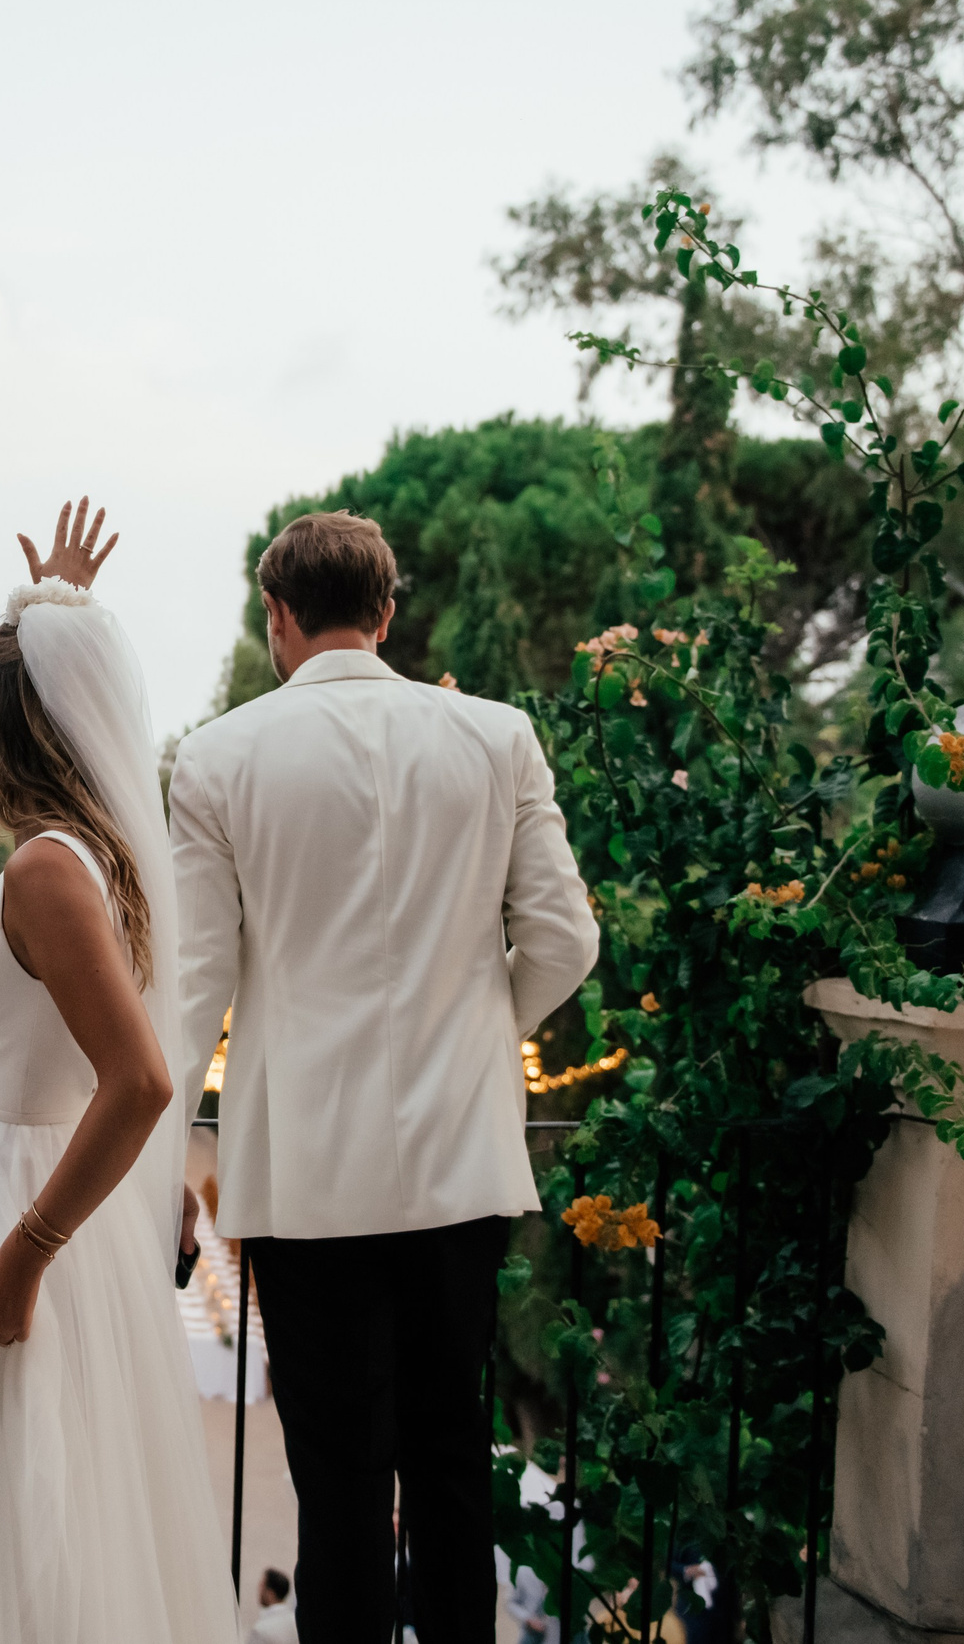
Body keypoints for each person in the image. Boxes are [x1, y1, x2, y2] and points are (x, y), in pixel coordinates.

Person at [172, 511, 600, 1644]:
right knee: (452, 1458)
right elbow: (563, 940)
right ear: (388, 612)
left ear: (277, 616)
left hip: (305, 1181)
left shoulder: (218, 758)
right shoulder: (498, 736)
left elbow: (191, 989)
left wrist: (163, 1156)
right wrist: (470, 1033)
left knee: (338, 1483)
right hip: (461, 1168)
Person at [0, 502, 232, 1643]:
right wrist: (56, 610)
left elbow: (137, 1080)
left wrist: (24, 1260)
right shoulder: (88, 859)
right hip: (15, 1193)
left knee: (28, 1515)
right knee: (36, 1503)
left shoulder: (45, 872)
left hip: (21, 1216)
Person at [248, 1568, 299, 1644]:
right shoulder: (297, 1622)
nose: (259, 1591)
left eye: (261, 1586)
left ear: (270, 1593)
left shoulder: (260, 1630)